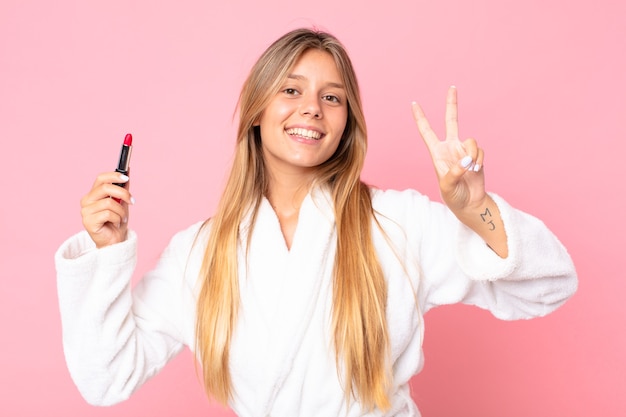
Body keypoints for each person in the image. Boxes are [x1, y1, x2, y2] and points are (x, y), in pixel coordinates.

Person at [55, 28, 577, 416]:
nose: (312, 109)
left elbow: (548, 286)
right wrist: (106, 254)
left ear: (346, 123)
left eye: (332, 97)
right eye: (291, 90)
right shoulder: (201, 251)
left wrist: (474, 211)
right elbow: (107, 376)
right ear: (256, 111)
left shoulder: (397, 223)